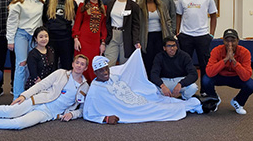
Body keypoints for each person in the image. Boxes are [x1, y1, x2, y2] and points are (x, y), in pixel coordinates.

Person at [0, 55, 89, 130]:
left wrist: (73, 114)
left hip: (48, 113)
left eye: (82, 64)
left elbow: (84, 109)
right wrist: (24, 95)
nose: (79, 66)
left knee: (18, 124)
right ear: (73, 63)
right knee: (10, 111)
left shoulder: (85, 87)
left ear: (86, 68)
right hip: (37, 100)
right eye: (77, 62)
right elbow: (41, 85)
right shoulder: (61, 73)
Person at [83, 52, 219, 124]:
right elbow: (88, 112)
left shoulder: (113, 75)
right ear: (95, 73)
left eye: (106, 69)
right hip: (129, 109)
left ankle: (196, 105)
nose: (106, 72)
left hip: (137, 99)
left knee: (161, 100)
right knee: (159, 109)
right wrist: (105, 119)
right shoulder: (95, 89)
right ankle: (197, 104)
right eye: (101, 71)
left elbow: (127, 68)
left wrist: (137, 52)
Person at [6, 0, 46, 99]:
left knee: (32, 66)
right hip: (21, 35)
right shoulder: (18, 2)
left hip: (36, 37)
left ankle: (30, 95)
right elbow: (12, 22)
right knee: (21, 65)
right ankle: (17, 96)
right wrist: (10, 40)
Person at [176, 0, 217, 95]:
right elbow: (178, 15)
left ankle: (205, 90)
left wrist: (211, 34)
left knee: (204, 65)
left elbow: (213, 15)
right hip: (186, 36)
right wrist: (177, 32)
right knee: (186, 65)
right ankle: (187, 90)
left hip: (203, 36)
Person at [202, 29, 253, 115]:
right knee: (205, 80)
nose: (230, 44)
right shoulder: (216, 50)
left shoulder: (245, 52)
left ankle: (238, 102)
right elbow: (209, 72)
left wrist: (234, 62)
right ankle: (214, 99)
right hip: (220, 76)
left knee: (250, 84)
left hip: (236, 77)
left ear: (238, 41)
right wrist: (225, 60)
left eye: (233, 41)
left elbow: (246, 76)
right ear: (223, 41)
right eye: (227, 41)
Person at [73, 0, 107, 82]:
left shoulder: (103, 8)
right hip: (83, 40)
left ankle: (92, 88)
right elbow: (77, 24)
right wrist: (76, 38)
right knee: (81, 64)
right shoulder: (82, 6)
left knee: (93, 65)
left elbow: (103, 27)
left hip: (95, 42)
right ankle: (79, 86)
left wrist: (103, 42)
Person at [137, 0, 173, 77]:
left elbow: (168, 20)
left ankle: (158, 81)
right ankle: (148, 81)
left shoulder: (161, 5)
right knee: (147, 60)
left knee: (159, 59)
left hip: (160, 36)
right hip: (146, 37)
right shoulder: (139, 5)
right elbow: (136, 23)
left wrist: (170, 35)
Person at [43, 0, 78, 69]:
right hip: (52, 38)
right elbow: (44, 18)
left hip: (66, 39)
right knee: (51, 65)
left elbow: (77, 20)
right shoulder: (49, 1)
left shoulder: (72, 3)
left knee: (66, 65)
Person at [104, 0, 140, 67]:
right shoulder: (110, 3)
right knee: (109, 62)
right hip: (112, 35)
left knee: (124, 64)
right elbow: (107, 21)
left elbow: (136, 25)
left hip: (126, 37)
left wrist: (136, 41)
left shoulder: (133, 6)